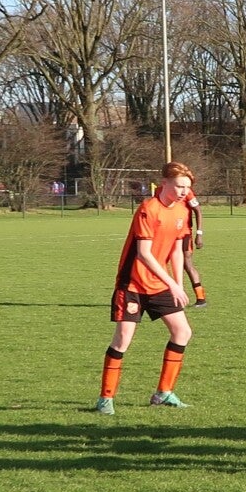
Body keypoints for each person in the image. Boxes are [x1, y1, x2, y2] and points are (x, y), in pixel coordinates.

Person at [95, 161, 200, 412]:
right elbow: (143, 253)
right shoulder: (148, 209)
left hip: (159, 284)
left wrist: (178, 283)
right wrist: (171, 284)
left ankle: (164, 393)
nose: (184, 192)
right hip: (132, 284)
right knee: (123, 339)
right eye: (179, 186)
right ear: (164, 183)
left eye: (187, 187)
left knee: (182, 332)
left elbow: (176, 249)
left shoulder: (182, 210)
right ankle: (105, 399)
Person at [180, 184, 208, 309]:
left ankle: (200, 298)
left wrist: (199, 233)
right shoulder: (162, 191)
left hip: (184, 234)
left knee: (187, 264)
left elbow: (198, 211)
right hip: (167, 234)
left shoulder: (187, 192)